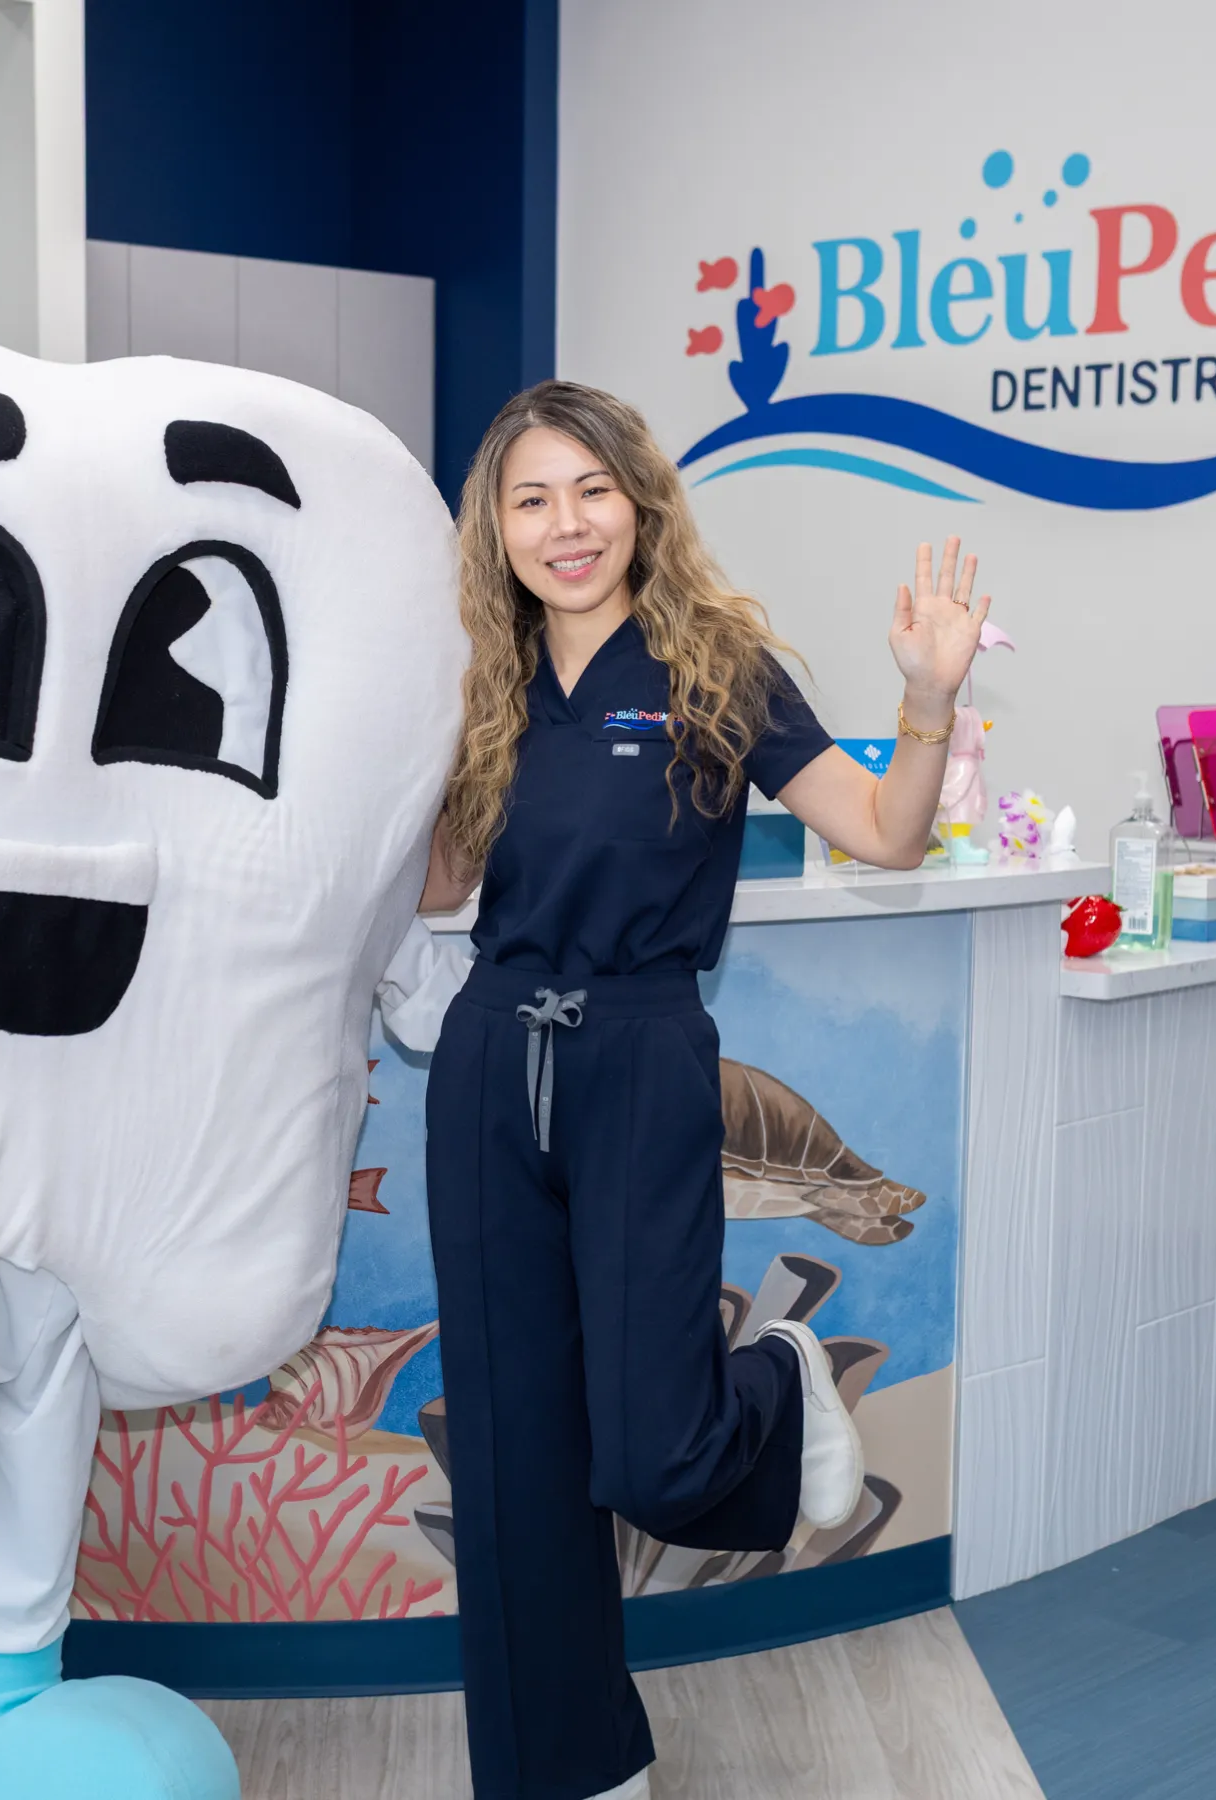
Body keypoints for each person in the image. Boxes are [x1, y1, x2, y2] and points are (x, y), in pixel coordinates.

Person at [418, 380, 989, 1800]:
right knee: (512, 1462)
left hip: (639, 1056)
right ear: (495, 526)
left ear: (640, 501)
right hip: (493, 1061)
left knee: (658, 1454)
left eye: (591, 490)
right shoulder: (478, 678)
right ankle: (575, 1769)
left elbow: (887, 836)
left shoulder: (716, 665)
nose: (566, 524)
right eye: (531, 497)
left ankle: (780, 1388)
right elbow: (439, 890)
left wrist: (925, 704)